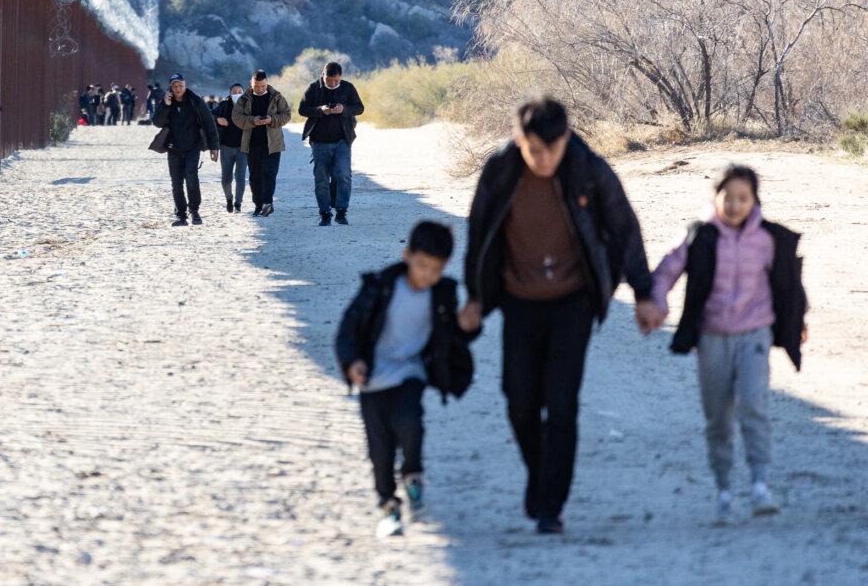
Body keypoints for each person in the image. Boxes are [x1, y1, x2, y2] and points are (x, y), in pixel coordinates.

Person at [459, 97, 662, 535]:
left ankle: (550, 506)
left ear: (567, 137)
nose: (543, 159)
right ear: (520, 139)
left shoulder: (587, 167)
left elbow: (624, 227)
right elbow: (479, 231)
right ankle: (542, 476)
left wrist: (644, 293)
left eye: (552, 149)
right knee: (519, 402)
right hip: (519, 299)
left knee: (562, 402)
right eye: (534, 150)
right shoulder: (501, 169)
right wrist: (474, 297)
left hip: (574, 300)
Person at [649, 165, 808, 523]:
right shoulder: (700, 237)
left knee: (754, 406)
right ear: (715, 198)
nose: (735, 205)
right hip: (712, 338)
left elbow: (789, 284)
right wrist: (656, 302)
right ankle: (723, 490)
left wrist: (800, 321)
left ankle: (759, 486)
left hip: (754, 335)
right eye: (728, 197)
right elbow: (667, 271)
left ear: (754, 201)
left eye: (743, 198)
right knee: (718, 418)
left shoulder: (767, 239)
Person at [335, 221, 476, 538]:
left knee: (411, 423)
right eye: (422, 265)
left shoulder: (442, 294)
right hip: (372, 378)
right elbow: (349, 328)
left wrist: (468, 326)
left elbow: (453, 336)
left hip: (411, 373)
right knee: (380, 451)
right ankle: (389, 507)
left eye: (435, 269)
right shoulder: (381, 286)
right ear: (407, 255)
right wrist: (352, 362)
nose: (427, 275)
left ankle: (413, 477)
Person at [298, 61, 364, 226]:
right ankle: (325, 213)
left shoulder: (348, 87)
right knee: (321, 178)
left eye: (336, 80)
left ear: (340, 77)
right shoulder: (314, 88)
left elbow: (360, 108)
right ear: (323, 75)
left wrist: (344, 109)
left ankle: (341, 212)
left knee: (343, 175)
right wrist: (320, 110)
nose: (333, 83)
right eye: (329, 80)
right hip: (319, 142)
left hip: (343, 141)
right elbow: (302, 109)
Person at [151, 73, 219, 226]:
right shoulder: (166, 102)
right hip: (173, 148)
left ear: (185, 85)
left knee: (191, 177)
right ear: (170, 88)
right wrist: (166, 105)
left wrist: (214, 147)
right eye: (174, 86)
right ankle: (181, 216)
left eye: (180, 85)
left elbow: (209, 123)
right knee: (176, 182)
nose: (178, 88)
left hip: (192, 147)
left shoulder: (195, 101)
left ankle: (194, 211)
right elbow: (157, 122)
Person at [232, 70, 291, 217]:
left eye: (263, 86)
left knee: (270, 174)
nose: (260, 89)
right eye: (256, 86)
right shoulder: (244, 99)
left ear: (267, 83)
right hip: (252, 143)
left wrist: (272, 119)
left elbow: (286, 115)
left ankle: (267, 203)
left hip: (273, 144)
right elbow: (236, 117)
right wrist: (253, 120)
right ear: (251, 84)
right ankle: (258, 205)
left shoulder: (276, 96)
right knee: (254, 176)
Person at [213, 83, 248, 213]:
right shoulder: (223, 105)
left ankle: (238, 203)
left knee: (240, 176)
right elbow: (209, 116)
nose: (237, 93)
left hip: (243, 148)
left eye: (239, 91)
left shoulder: (248, 106)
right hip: (226, 147)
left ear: (243, 93)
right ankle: (229, 199)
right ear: (230, 93)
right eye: (234, 92)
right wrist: (217, 119)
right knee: (226, 178)